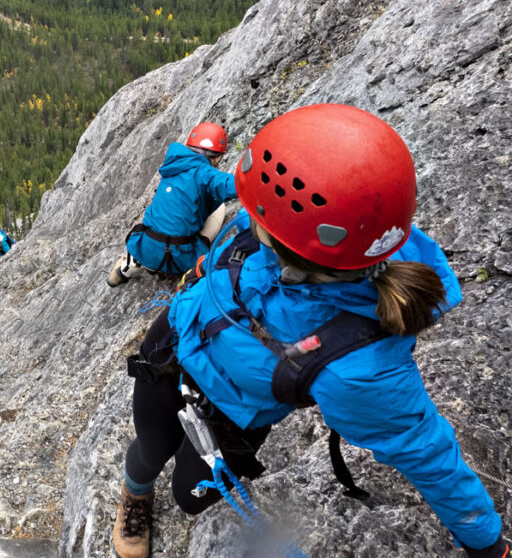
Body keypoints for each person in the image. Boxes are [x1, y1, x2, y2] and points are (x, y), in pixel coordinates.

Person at [112, 104, 507, 558]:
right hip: (174, 343)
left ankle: (150, 485)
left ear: (293, 248)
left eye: (256, 216)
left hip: (232, 411)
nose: (246, 217)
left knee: (189, 495)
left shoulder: (358, 366)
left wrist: (488, 544)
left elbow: (425, 452)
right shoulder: (311, 229)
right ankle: (135, 494)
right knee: (149, 447)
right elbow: (225, 254)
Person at [108, 122, 236, 287]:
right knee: (219, 206)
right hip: (181, 257)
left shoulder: (173, 162)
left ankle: (125, 270)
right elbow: (232, 185)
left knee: (160, 217)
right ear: (218, 157)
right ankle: (191, 271)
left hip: (146, 249)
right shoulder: (206, 173)